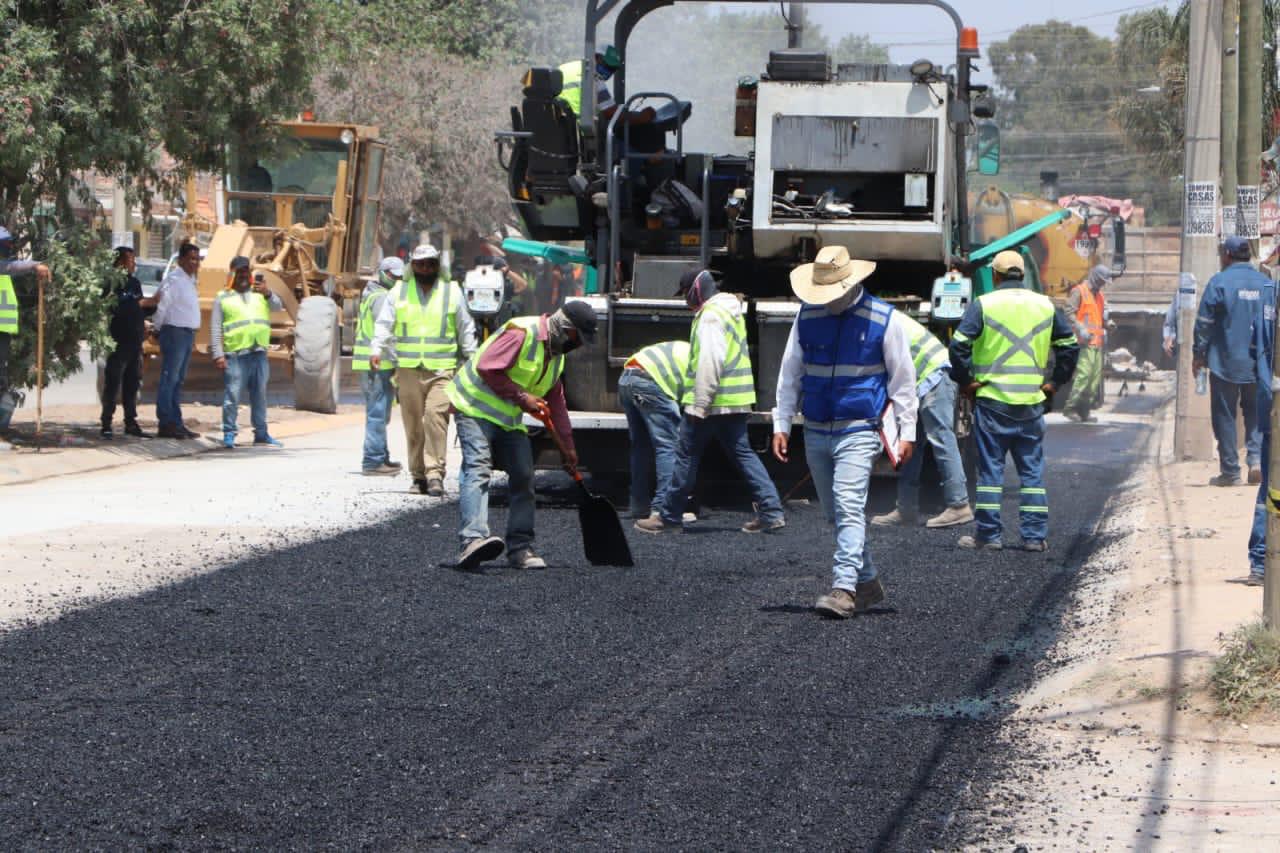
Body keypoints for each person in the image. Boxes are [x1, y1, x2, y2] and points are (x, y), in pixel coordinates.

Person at [767, 247, 918, 618]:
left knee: (849, 505)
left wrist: (907, 432)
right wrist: (781, 423)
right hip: (816, 428)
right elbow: (790, 374)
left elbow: (903, 382)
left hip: (860, 428)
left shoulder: (885, 320)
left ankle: (844, 588)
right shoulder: (807, 316)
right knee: (836, 513)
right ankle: (867, 582)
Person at [445, 301, 599, 570]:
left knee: (524, 475)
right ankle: (472, 541)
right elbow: (487, 366)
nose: (579, 345)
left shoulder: (556, 357)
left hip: (508, 418)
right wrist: (521, 396)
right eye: (578, 337)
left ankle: (520, 548)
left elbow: (556, 402)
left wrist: (568, 447)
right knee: (478, 468)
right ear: (564, 328)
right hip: (473, 407)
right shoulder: (521, 333)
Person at [635, 269, 785, 535]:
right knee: (743, 454)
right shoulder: (730, 310)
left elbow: (709, 362)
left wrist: (700, 405)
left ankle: (668, 517)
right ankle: (771, 511)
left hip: (712, 403)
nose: (686, 302)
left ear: (696, 289)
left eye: (686, 295)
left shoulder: (710, 317)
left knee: (685, 456)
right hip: (735, 400)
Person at [949, 250, 1079, 552]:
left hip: (993, 401)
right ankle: (1034, 537)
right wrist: (1054, 383)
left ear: (995, 276)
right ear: (1022, 274)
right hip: (1031, 403)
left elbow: (958, 347)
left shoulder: (985, 304)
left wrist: (967, 382)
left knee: (990, 472)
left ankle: (988, 536)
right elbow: (1070, 348)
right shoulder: (1045, 305)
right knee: (1031, 471)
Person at [370, 243, 477, 496]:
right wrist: (377, 349)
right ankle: (417, 476)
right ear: (412, 266)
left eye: (430, 263)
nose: (425, 268)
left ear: (437, 266)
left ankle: (434, 474)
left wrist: (472, 359)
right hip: (407, 369)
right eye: (420, 264)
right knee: (413, 426)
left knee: (435, 417)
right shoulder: (399, 292)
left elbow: (465, 327)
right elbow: (385, 323)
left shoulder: (452, 292)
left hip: (442, 370)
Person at [871, 312, 972, 529]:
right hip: (920, 379)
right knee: (910, 443)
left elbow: (879, 371)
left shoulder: (873, 324)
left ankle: (959, 505)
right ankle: (906, 509)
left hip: (933, 374)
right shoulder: (877, 316)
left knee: (941, 436)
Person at [1194, 236, 1273, 486]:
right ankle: (1256, 462)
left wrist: (1199, 355)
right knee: (1257, 413)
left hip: (1224, 362)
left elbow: (1204, 324)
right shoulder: (1266, 283)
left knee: (1225, 415)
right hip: (1258, 363)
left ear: (1227, 255)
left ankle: (1230, 472)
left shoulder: (1219, 282)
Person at [210, 256, 284, 448]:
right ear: (232, 273)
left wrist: (268, 292)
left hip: (258, 353)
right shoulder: (223, 297)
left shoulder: (260, 294)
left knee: (260, 396)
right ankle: (229, 433)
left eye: (246, 271)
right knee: (232, 396)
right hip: (235, 356)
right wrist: (218, 354)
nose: (243, 275)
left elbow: (277, 306)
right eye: (239, 271)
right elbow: (215, 328)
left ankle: (261, 434)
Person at [620, 339, 692, 521]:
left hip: (626, 379)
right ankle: (664, 509)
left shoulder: (686, 349)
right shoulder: (703, 362)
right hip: (650, 382)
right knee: (669, 445)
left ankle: (639, 506)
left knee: (640, 446)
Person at [353, 257, 404, 475]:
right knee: (377, 411)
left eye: (399, 276)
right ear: (382, 273)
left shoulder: (370, 293)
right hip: (377, 362)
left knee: (380, 411)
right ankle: (373, 461)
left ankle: (381, 456)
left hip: (370, 361)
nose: (397, 279)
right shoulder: (383, 297)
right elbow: (387, 335)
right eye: (393, 276)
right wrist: (398, 361)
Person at [100, 246, 156, 438]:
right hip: (118, 340)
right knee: (112, 383)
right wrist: (141, 304)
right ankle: (106, 423)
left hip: (135, 341)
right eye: (131, 260)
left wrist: (150, 309)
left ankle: (130, 423)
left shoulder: (135, 283)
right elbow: (116, 307)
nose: (134, 264)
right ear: (120, 262)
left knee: (132, 384)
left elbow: (140, 308)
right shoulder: (110, 283)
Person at [153, 242, 202, 439]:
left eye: (197, 260)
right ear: (181, 259)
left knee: (177, 380)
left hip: (187, 334)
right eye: (191, 259)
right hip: (174, 333)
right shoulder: (173, 279)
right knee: (169, 379)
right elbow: (162, 305)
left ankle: (176, 422)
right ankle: (165, 423)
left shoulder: (189, 280)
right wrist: (156, 328)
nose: (194, 263)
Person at [0, 226, 52, 408]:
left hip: (3, 330)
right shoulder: (3, 267)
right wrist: (34, 265)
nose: (6, 249)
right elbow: (11, 267)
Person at [1062, 264, 1111, 422]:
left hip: (1096, 343)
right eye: (1102, 281)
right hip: (1083, 342)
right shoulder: (1079, 291)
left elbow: (1101, 318)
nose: (1103, 284)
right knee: (1083, 376)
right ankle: (1070, 408)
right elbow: (1069, 311)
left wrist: (1108, 323)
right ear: (1095, 278)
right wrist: (1080, 328)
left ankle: (1084, 411)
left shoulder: (1100, 296)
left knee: (1094, 380)